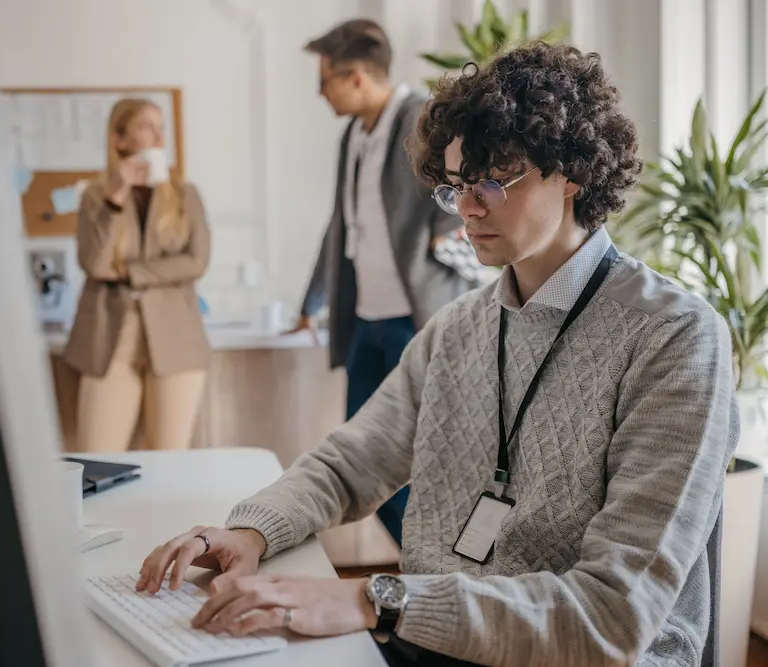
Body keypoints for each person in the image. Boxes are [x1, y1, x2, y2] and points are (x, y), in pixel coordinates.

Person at [136, 43, 739, 667]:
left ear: (572, 173)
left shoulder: (676, 337)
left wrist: (373, 602)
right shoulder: (459, 328)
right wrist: (251, 529)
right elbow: (351, 463)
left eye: (491, 181)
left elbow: (611, 618)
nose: (468, 209)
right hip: (434, 638)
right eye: (455, 187)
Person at [286, 19, 478, 546]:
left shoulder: (420, 118)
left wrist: (448, 230)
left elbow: (457, 189)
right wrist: (313, 303)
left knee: (425, 463)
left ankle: (432, 573)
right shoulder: (354, 134)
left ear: (355, 77)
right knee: (364, 464)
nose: (320, 93)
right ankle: (423, 566)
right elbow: (340, 222)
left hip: (415, 321)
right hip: (365, 321)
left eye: (324, 81)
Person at [65, 98, 210, 453]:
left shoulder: (184, 195)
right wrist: (115, 200)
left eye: (162, 128)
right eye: (147, 127)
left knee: (170, 462)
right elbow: (95, 263)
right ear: (119, 139)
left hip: (176, 338)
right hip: (110, 339)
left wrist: (129, 272)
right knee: (97, 463)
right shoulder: (94, 198)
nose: (159, 137)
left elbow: (196, 262)